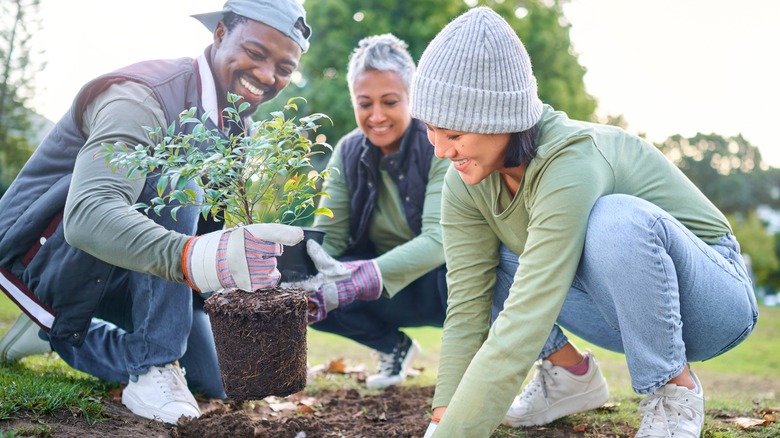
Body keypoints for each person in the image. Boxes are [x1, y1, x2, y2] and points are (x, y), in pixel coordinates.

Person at [411, 7, 757, 438]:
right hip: (616, 314)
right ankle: (570, 377)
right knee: (475, 267)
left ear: (500, 118)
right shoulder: (465, 181)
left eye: (455, 134)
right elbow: (467, 309)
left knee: (613, 220)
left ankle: (674, 391)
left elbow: (529, 311)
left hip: (712, 301)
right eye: (430, 130)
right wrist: (442, 422)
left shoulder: (573, 158)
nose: (441, 150)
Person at [0, 0, 312, 425]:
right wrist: (197, 258)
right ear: (220, 34)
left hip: (137, 270)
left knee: (218, 375)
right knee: (178, 181)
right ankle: (151, 367)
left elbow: (210, 230)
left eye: (284, 67)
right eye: (256, 53)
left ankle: (60, 334)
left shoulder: (237, 127)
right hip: (45, 253)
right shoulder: (143, 94)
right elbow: (89, 214)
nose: (266, 75)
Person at [295, 34, 451, 389]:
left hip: (442, 284)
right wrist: (292, 279)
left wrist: (359, 277)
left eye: (390, 102)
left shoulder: (439, 144)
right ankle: (391, 346)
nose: (377, 116)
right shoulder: (348, 151)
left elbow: (441, 239)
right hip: (383, 290)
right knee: (310, 289)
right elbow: (328, 239)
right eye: (365, 103)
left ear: (412, 98)